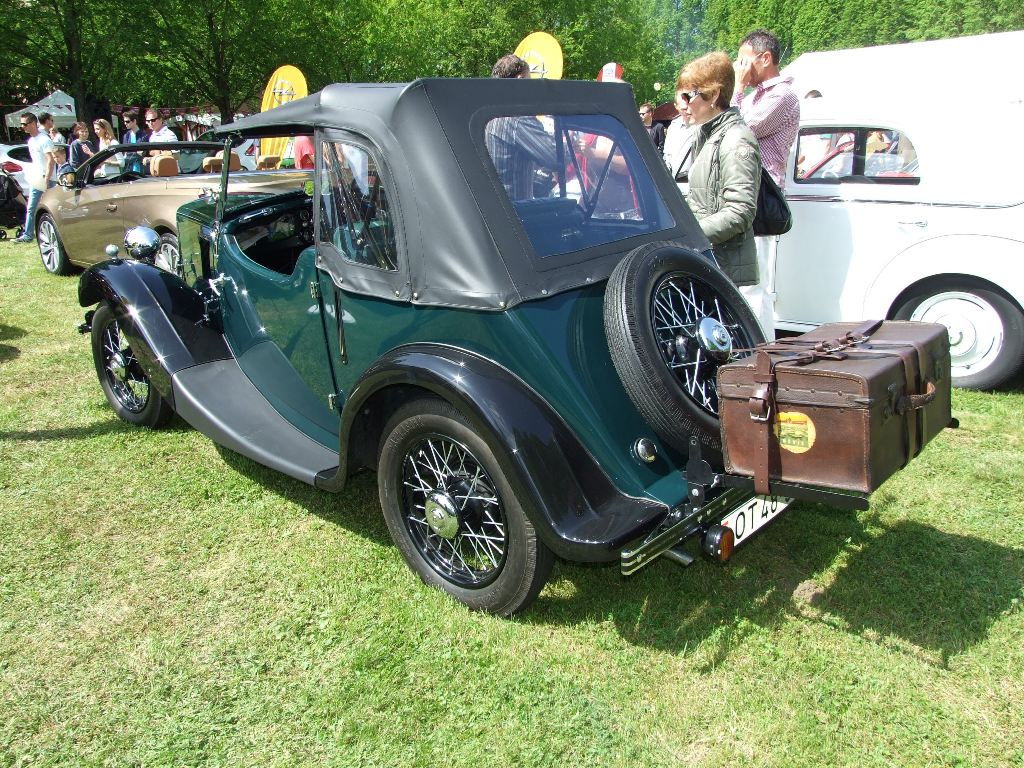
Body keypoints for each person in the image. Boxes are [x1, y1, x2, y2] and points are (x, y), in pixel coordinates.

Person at [676, 53, 762, 300]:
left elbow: (740, 211)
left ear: (713, 95)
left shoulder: (736, 138)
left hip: (722, 267)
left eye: (688, 96)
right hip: (708, 261)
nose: (682, 104)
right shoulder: (707, 136)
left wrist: (688, 236)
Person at [732, 29, 800, 188]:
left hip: (763, 191)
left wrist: (739, 86)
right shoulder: (757, 96)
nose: (741, 68)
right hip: (749, 186)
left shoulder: (782, 95)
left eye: (744, 62)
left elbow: (736, 131)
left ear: (766, 58)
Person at [485, 55, 558, 200]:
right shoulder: (516, 118)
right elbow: (555, 157)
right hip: (516, 215)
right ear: (520, 79)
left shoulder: (488, 114)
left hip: (493, 206)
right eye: (530, 81)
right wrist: (568, 144)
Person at [13, 112, 56, 243]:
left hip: (48, 180)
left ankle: (54, 232)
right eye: (21, 124)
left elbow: (51, 160)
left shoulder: (44, 140)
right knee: (31, 207)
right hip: (37, 180)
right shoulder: (31, 141)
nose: (22, 127)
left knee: (51, 208)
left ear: (33, 123)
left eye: (24, 124)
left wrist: (47, 178)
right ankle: (28, 235)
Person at [663, 90, 695, 183]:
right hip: (673, 179)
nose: (687, 110)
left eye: (688, 106)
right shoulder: (673, 126)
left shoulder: (700, 125)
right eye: (683, 109)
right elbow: (667, 154)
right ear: (676, 106)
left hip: (690, 180)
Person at [119, 109, 144, 174]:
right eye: (124, 121)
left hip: (140, 168)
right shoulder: (126, 136)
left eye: (127, 121)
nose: (125, 123)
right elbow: (125, 153)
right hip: (128, 169)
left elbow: (141, 154)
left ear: (134, 121)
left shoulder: (143, 135)